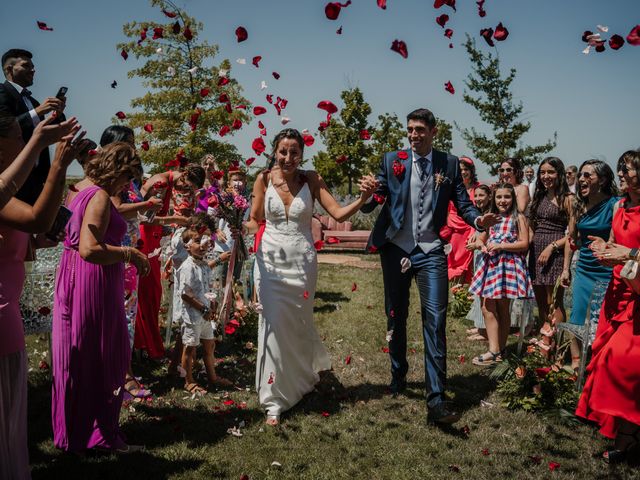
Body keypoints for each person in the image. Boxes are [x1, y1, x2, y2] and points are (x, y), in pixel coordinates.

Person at [361, 108, 498, 424]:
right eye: (410, 129)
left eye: (420, 129)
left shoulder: (447, 163)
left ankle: (436, 399)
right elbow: (377, 197)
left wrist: (477, 219)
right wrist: (367, 196)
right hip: (396, 247)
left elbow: (461, 202)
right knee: (396, 314)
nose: (413, 135)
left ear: (434, 132)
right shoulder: (392, 160)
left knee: (435, 320)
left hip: (431, 250)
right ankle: (398, 375)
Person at [239, 128, 378, 425]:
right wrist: (244, 229)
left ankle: (300, 380)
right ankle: (274, 399)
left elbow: (339, 214)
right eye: (283, 151)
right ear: (275, 151)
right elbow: (255, 218)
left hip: (302, 262)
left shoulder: (312, 179)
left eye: (294, 152)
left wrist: (365, 197)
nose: (288, 158)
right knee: (273, 324)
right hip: (270, 262)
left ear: (302, 154)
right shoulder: (263, 178)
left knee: (298, 324)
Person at [52, 142, 149, 453]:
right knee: (107, 353)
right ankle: (101, 435)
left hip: (71, 273)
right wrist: (129, 253)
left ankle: (72, 431)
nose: (127, 185)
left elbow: (67, 235)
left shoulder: (77, 188)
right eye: (127, 178)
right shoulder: (99, 196)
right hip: (94, 277)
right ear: (118, 171)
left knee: (76, 352)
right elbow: (90, 248)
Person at [0, 112, 79, 479]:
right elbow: (35, 218)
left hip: (8, 312)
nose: (27, 139)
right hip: (1, 318)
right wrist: (57, 164)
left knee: (8, 417)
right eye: (21, 135)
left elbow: (33, 228)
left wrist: (36, 240)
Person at [576, 150, 640, 464]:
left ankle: (628, 437)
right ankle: (624, 434)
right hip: (617, 290)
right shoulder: (619, 207)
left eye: (627, 169)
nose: (623, 174)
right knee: (605, 359)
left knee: (622, 363)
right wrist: (604, 248)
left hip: (638, 296)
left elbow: (628, 251)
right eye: (622, 170)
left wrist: (628, 254)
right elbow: (614, 241)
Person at [135, 163, 205, 359]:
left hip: (154, 238)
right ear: (182, 175)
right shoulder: (160, 183)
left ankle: (145, 344)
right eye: (188, 186)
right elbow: (143, 218)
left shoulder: (169, 183)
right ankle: (146, 345)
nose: (187, 191)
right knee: (149, 292)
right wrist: (175, 219)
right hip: (145, 239)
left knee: (152, 294)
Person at [560, 160, 618, 371]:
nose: (581, 179)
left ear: (601, 180)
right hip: (583, 269)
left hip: (608, 270)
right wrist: (566, 268)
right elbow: (571, 239)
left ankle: (600, 363)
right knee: (577, 315)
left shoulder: (615, 204)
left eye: (587, 176)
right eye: (581, 175)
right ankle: (577, 364)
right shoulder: (578, 204)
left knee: (603, 318)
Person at [469, 183, 533, 365]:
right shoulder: (491, 218)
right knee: (487, 306)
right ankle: (495, 349)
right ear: (493, 199)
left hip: (507, 265)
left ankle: (497, 350)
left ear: (513, 198)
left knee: (503, 308)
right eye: (499, 197)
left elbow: (524, 243)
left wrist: (501, 245)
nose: (503, 201)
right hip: (491, 265)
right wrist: (478, 244)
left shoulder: (518, 217)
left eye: (507, 197)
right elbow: (483, 238)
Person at [0, 49, 67, 205]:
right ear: (10, 69)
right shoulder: (2, 92)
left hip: (36, 179)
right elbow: (4, 127)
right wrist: (37, 112)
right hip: (11, 176)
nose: (33, 69)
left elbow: (49, 134)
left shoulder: (33, 101)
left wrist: (58, 113)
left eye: (33, 66)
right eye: (26, 65)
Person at [176, 228, 231, 394]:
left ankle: (213, 377)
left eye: (204, 241)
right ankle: (188, 380)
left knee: (209, 346)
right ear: (186, 246)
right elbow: (186, 294)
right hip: (193, 315)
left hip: (206, 315)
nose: (202, 245)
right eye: (197, 241)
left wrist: (212, 305)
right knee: (190, 348)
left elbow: (206, 285)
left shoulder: (204, 265)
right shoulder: (187, 267)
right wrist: (204, 308)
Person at [527, 157, 572, 355]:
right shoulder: (538, 197)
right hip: (536, 254)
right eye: (542, 172)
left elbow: (572, 234)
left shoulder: (568, 199)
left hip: (555, 254)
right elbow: (531, 226)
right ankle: (545, 341)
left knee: (554, 302)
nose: (546, 176)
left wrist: (552, 247)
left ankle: (557, 347)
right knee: (541, 303)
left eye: (550, 172)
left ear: (559, 174)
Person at [440, 156, 480, 284]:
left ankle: (469, 299)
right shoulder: (451, 187)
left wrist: (476, 231)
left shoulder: (478, 188)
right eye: (460, 169)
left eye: (466, 169)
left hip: (471, 230)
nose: (463, 172)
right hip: (454, 231)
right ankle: (457, 297)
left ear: (472, 171)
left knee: (470, 266)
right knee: (454, 263)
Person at [465, 184, 492, 342]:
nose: (478, 199)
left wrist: (477, 243)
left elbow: (487, 235)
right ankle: (481, 326)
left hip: (485, 254)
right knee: (478, 294)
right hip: (478, 254)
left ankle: (485, 331)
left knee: (484, 294)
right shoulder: (480, 213)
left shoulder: (489, 214)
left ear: (490, 196)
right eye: (476, 196)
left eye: (481, 195)